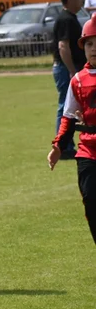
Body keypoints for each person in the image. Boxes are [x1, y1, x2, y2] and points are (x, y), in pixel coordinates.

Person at [48, 15, 96, 245]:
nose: (93, 48)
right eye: (89, 44)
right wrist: (58, 146)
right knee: (91, 200)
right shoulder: (77, 80)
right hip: (88, 151)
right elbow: (67, 116)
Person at [52, 0, 85, 159]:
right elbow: (63, 46)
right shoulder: (66, 19)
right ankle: (63, 146)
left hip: (69, 68)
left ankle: (66, 145)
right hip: (66, 69)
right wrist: (72, 70)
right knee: (66, 106)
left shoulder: (71, 18)